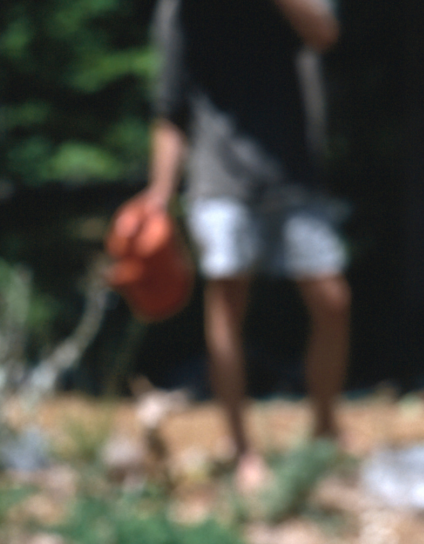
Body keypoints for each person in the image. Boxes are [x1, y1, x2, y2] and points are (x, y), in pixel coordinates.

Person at [140, 0, 351, 492]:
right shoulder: (180, 11)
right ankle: (241, 448)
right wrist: (158, 196)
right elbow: (170, 107)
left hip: (294, 170)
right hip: (218, 174)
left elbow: (324, 32)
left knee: (331, 299)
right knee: (228, 302)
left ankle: (324, 430)